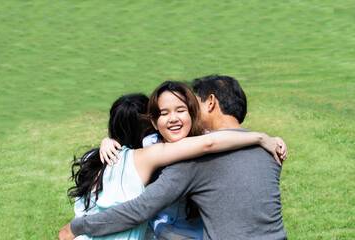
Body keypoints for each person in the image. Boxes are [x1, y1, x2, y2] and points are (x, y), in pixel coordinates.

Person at [60, 80, 286, 240]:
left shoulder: (194, 154)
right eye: (164, 113)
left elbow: (210, 142)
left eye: (182, 109)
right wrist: (261, 137)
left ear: (195, 111)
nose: (174, 118)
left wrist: (77, 226)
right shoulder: (153, 146)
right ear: (153, 121)